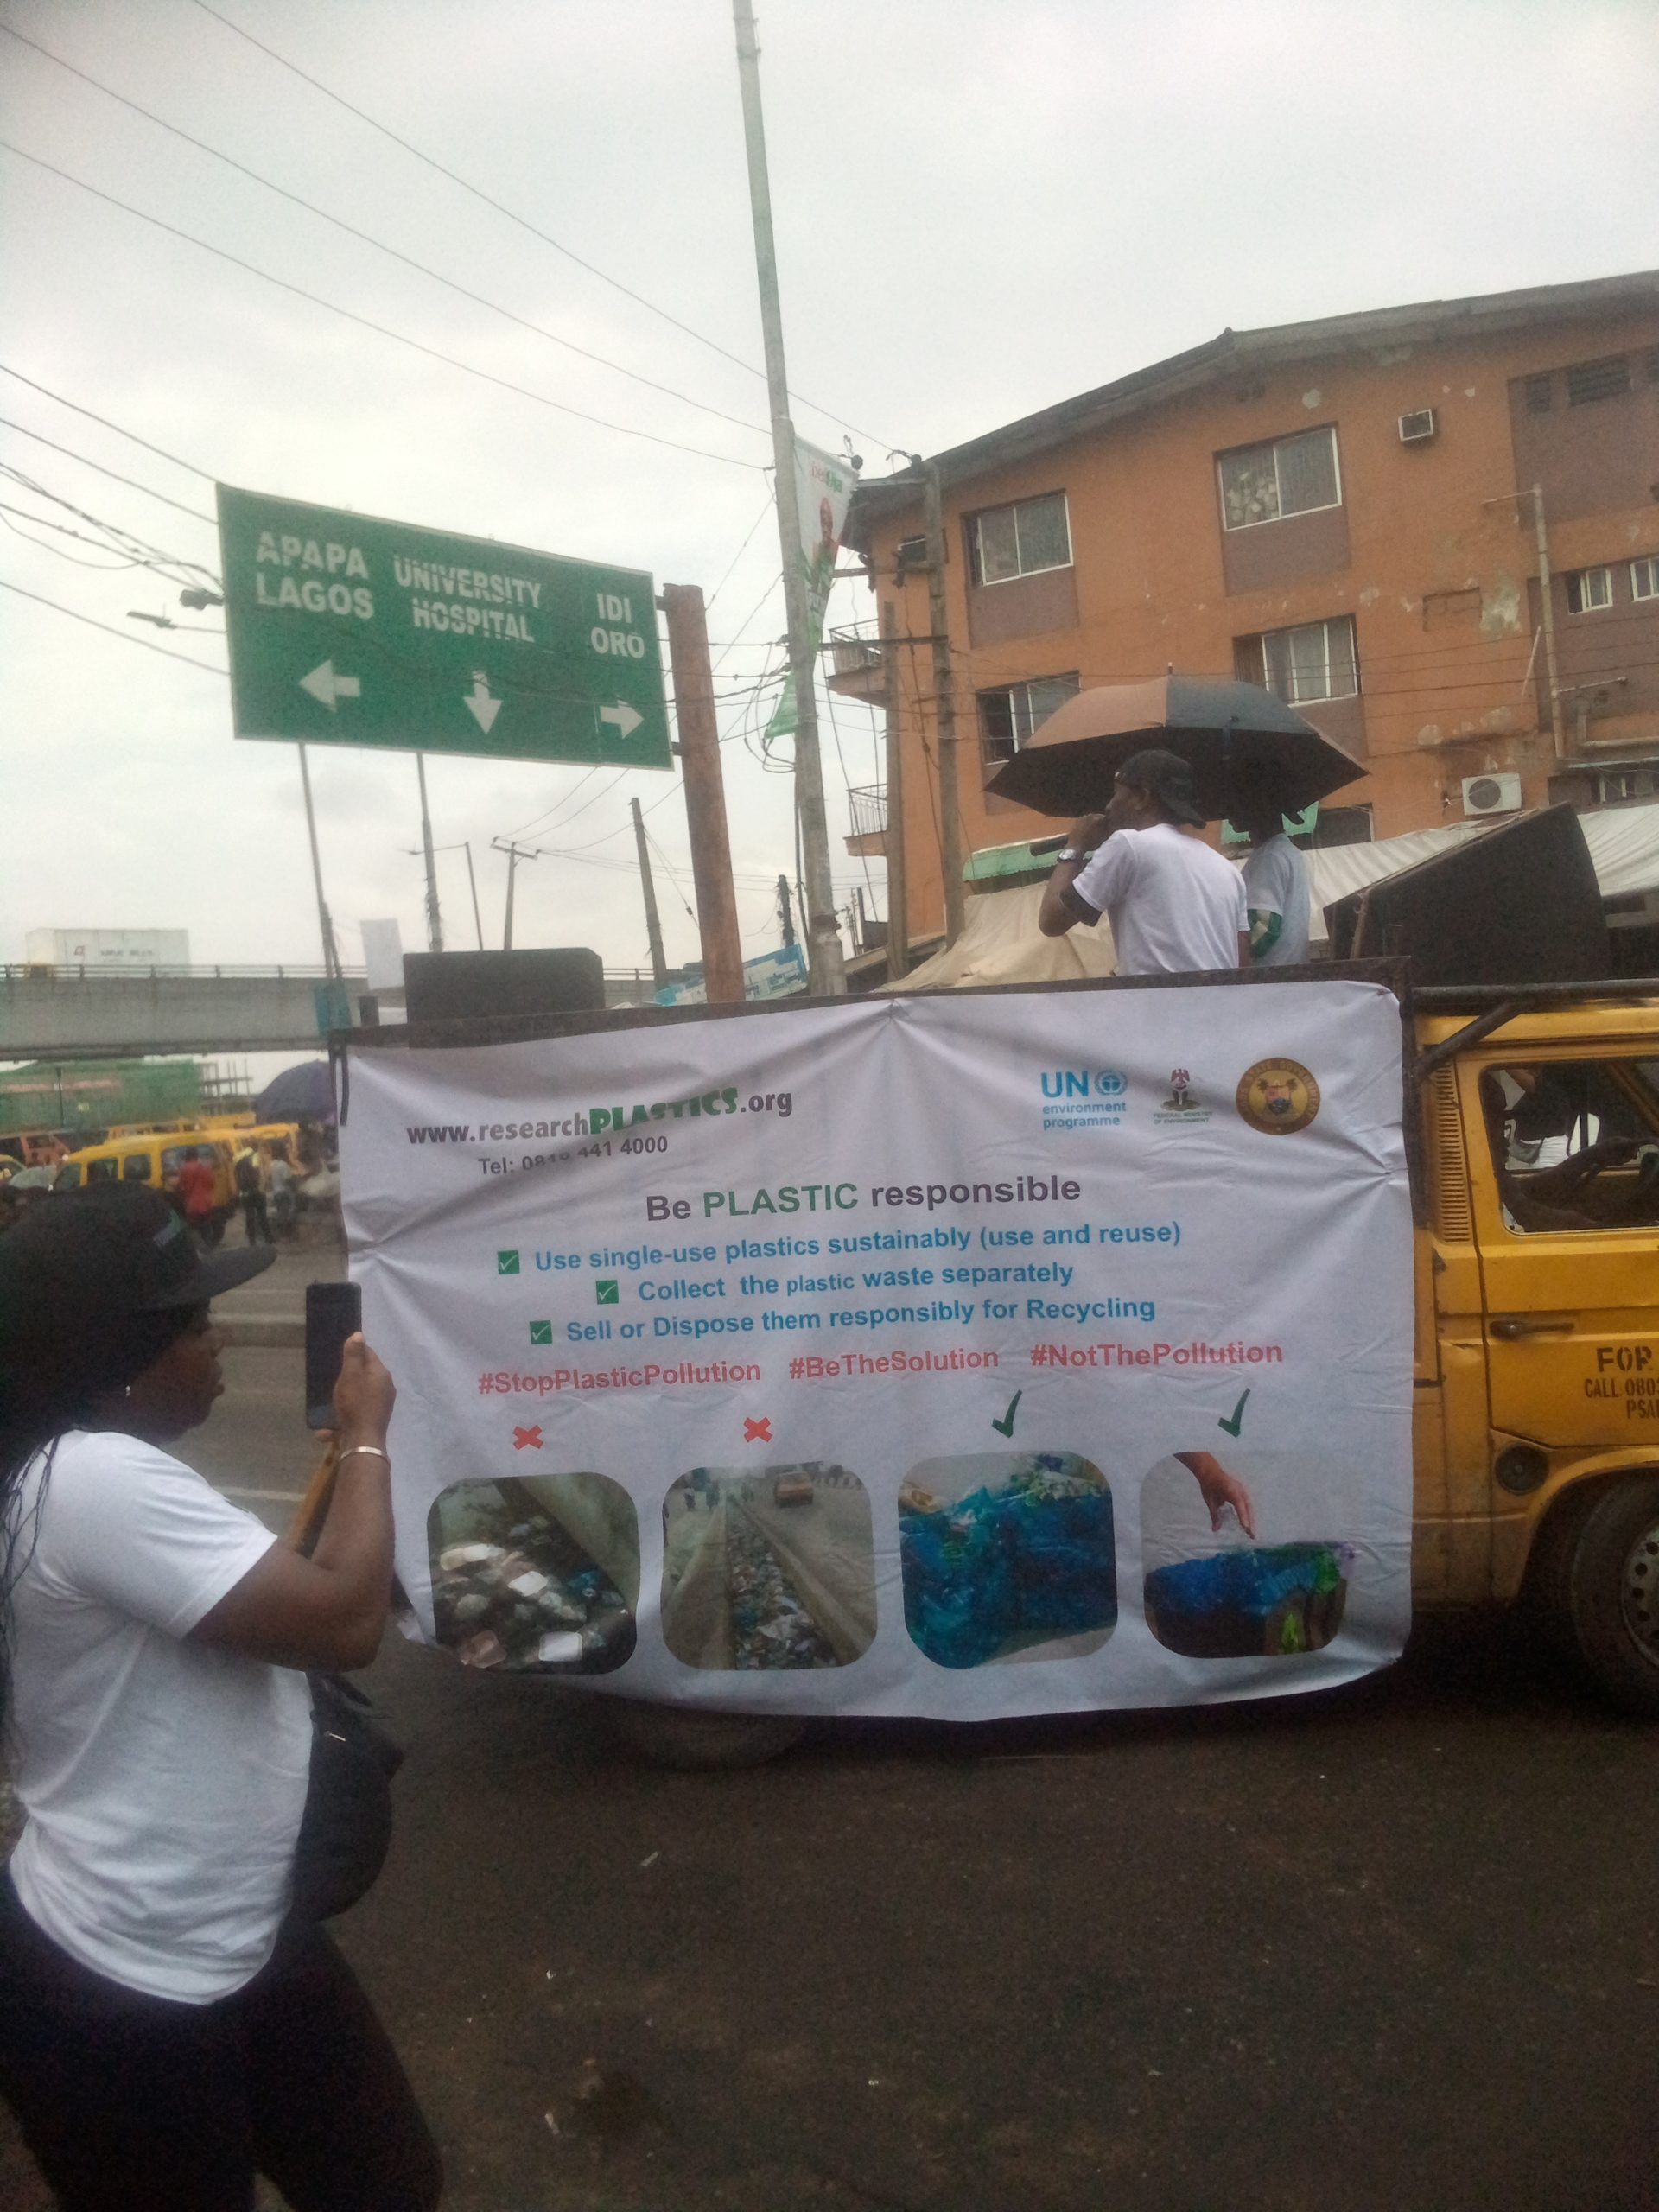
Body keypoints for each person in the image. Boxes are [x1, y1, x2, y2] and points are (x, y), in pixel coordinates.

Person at [0, 1185, 441, 2212]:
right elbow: (343, 1621)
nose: (216, 1347)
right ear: (114, 1364)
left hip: (235, 1926)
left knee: (385, 2179)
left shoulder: (67, 1467)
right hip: (121, 1972)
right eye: (194, 1327)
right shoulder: (91, 1480)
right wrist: (364, 1429)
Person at [1037, 747, 1249, 973]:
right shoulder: (1227, 870)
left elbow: (1051, 921)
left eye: (1117, 793)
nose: (1108, 806)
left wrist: (1075, 846)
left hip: (1158, 1006)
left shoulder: (1127, 845)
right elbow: (1242, 962)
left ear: (1142, 798)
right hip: (1219, 1005)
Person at [1234, 780, 1312, 969]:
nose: (1230, 814)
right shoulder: (1288, 851)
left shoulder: (1270, 856)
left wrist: (1227, 956)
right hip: (1289, 973)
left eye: (1238, 804)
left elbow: (1264, 928)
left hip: (1269, 980)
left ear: (1257, 809)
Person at [171, 1145, 217, 1244]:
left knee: (194, 1228)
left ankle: (199, 1248)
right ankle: (208, 1247)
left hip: (191, 1205)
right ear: (196, 1155)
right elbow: (212, 1183)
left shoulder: (184, 1169)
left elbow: (180, 1186)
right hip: (205, 1204)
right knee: (206, 1227)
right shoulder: (203, 1168)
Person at [232, 1144, 271, 1248]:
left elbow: (236, 1177)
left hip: (245, 1193)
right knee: (262, 1215)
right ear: (256, 1148)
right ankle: (268, 1238)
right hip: (256, 1191)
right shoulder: (255, 1157)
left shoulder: (238, 1160)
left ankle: (252, 1241)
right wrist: (262, 1187)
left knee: (250, 1217)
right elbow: (259, 1173)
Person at [267, 1146, 296, 1237]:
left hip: (276, 1192)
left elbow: (269, 1178)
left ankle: (282, 1233)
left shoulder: (272, 1165)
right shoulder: (284, 1165)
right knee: (285, 1215)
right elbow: (287, 1180)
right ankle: (285, 1234)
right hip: (284, 1192)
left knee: (280, 1214)